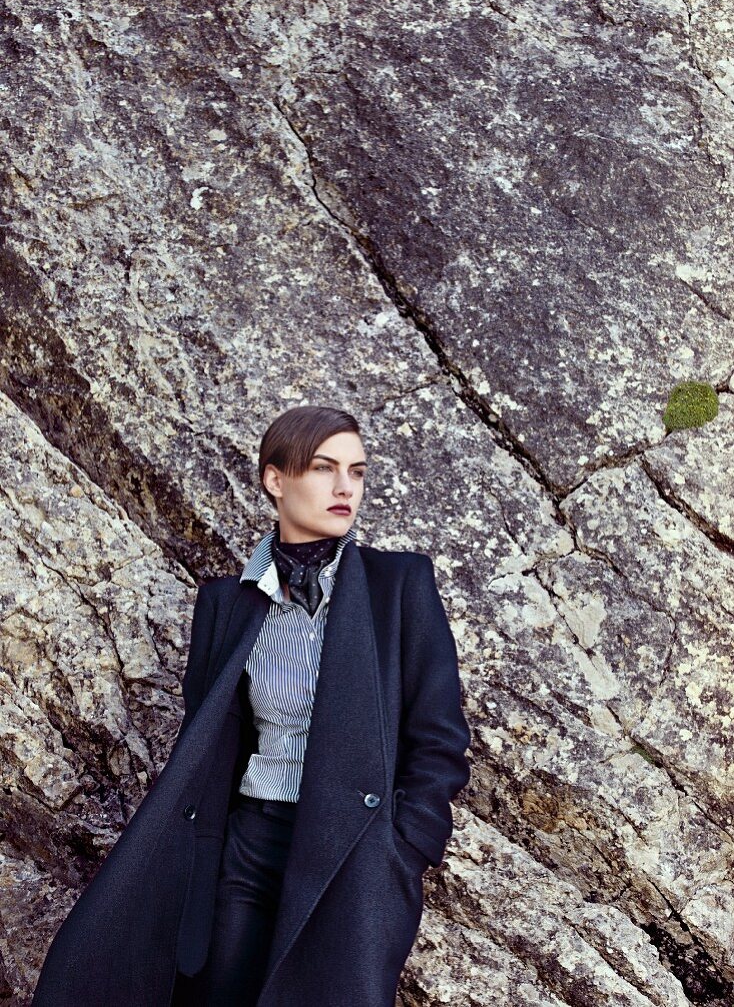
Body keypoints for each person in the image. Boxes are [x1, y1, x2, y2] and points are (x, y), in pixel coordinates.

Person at [32, 404, 472, 1007]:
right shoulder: (227, 603)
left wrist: (404, 844)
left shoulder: (399, 586)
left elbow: (440, 738)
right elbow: (207, 745)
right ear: (276, 479)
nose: (346, 487)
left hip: (353, 850)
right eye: (324, 468)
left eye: (358, 471)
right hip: (248, 841)